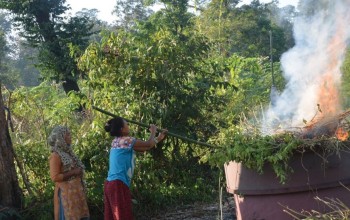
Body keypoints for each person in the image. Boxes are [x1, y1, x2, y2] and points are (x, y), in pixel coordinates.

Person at [103, 117, 167, 220]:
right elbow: (147, 144)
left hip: (110, 184)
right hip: (118, 184)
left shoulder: (116, 141)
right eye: (126, 124)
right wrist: (153, 131)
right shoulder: (127, 140)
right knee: (122, 216)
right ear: (121, 129)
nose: (129, 126)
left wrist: (159, 138)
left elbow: (145, 148)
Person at [48, 125, 90, 220]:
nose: (71, 136)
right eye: (68, 134)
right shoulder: (55, 156)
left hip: (75, 192)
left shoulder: (68, 153)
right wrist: (74, 172)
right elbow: (55, 177)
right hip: (66, 194)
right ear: (61, 138)